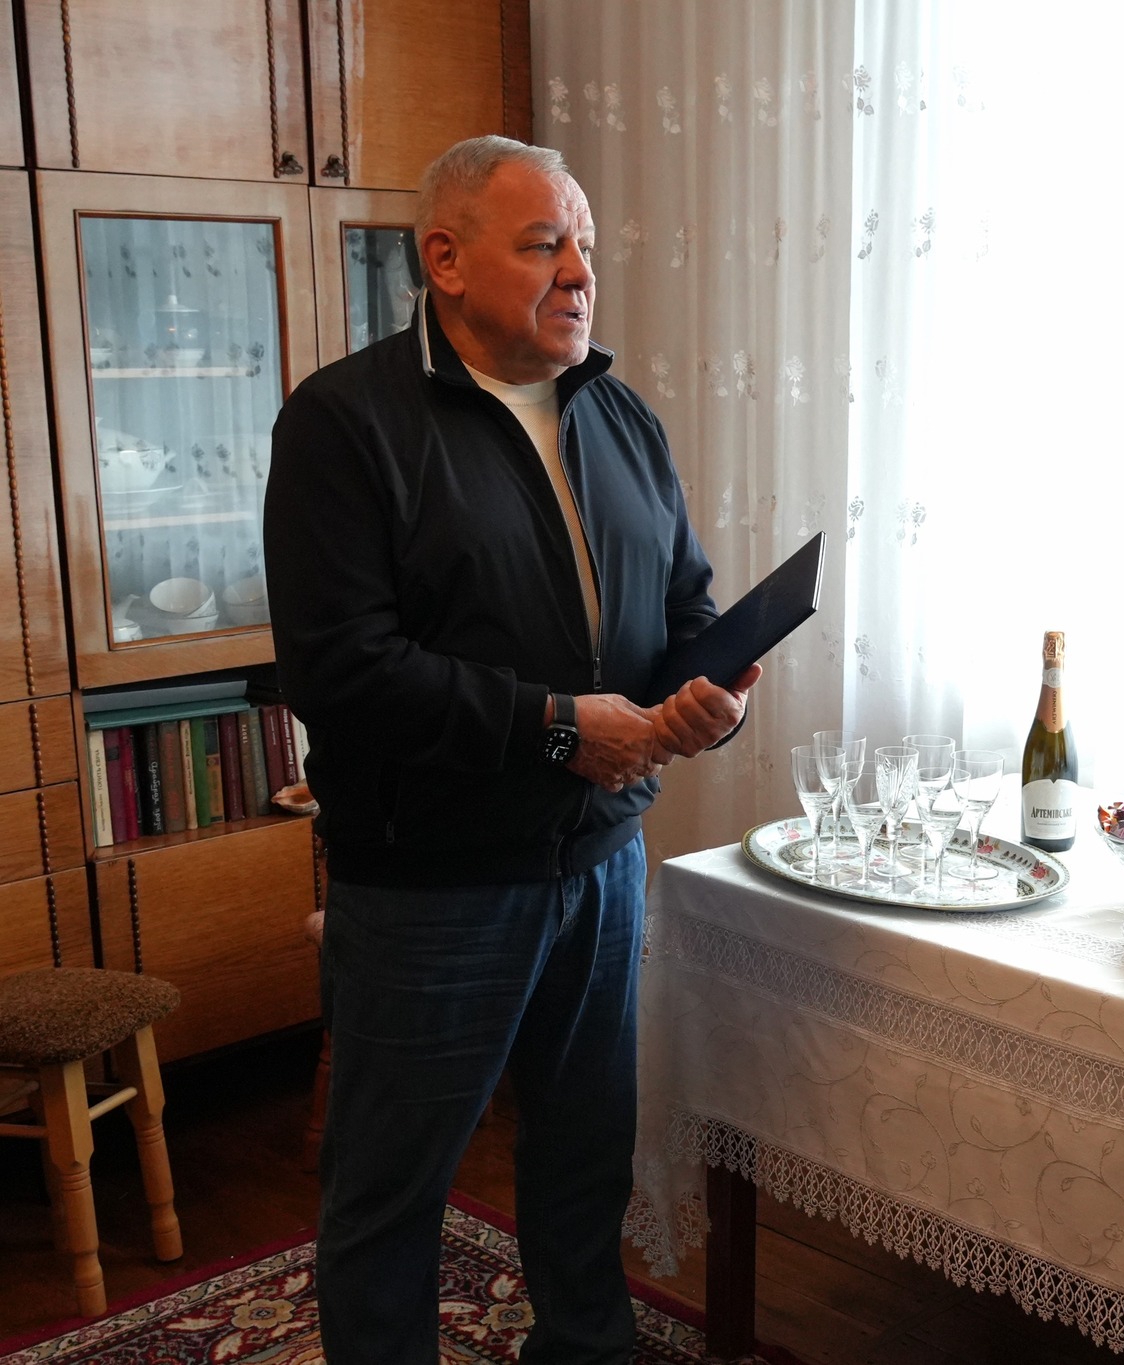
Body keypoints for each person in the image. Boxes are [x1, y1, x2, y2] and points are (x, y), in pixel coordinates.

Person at [265, 135, 759, 1365]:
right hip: (430, 886)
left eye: (582, 244)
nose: (579, 271)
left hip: (601, 864)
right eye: (544, 244)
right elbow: (340, 669)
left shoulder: (618, 411)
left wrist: (709, 697)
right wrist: (557, 727)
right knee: (392, 1192)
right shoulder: (345, 422)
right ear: (444, 260)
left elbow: (684, 607)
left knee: (585, 1161)